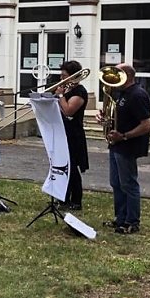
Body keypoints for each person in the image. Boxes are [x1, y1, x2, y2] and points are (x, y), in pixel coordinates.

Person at [97, 63, 150, 234]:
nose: (113, 78)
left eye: (117, 74)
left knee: (128, 183)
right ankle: (120, 218)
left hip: (128, 145)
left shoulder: (138, 95)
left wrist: (124, 136)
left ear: (127, 75)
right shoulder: (120, 93)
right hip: (116, 144)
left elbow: (146, 125)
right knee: (116, 183)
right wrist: (103, 117)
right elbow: (115, 114)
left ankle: (132, 222)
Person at [54, 60, 89, 210]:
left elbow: (69, 110)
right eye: (61, 75)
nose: (61, 78)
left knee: (72, 167)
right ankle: (63, 197)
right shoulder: (67, 90)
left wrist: (60, 95)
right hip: (62, 130)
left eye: (64, 75)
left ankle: (76, 200)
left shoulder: (79, 92)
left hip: (73, 133)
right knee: (62, 166)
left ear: (73, 76)